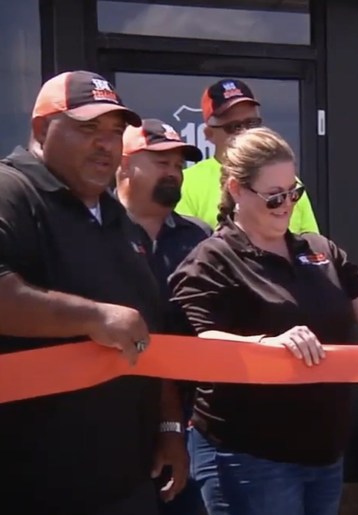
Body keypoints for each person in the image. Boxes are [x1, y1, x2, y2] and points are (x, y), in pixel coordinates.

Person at [168, 127, 358, 515]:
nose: (286, 204)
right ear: (236, 190)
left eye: (294, 192)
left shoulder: (318, 249)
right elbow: (199, 344)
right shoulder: (212, 260)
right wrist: (268, 345)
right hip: (250, 454)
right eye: (274, 196)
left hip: (322, 452)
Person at [0, 70, 186, 514]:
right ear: (44, 129)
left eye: (115, 132)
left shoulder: (116, 215)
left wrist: (169, 426)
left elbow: (147, 332)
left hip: (127, 480)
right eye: (88, 129)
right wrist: (92, 317)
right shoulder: (12, 191)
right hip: (32, 483)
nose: (106, 143)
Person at [116, 118, 212, 515]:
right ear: (123, 165)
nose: (174, 172)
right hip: (116, 411)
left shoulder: (201, 237)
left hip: (194, 415)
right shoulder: (97, 230)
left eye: (178, 165)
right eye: (161, 163)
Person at [175, 79, 319, 234]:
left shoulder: (288, 183)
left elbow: (312, 245)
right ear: (209, 134)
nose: (245, 132)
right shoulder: (187, 183)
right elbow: (186, 247)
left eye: (252, 124)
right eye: (234, 127)